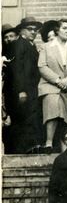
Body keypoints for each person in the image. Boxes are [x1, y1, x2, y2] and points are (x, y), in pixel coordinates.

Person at [37, 19, 67, 150]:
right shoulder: (46, 47)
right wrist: (58, 80)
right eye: (65, 28)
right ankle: (49, 143)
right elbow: (42, 66)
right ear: (57, 30)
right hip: (51, 85)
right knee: (52, 110)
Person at [2, 21, 43, 153]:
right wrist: (21, 90)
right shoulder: (19, 44)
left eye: (35, 30)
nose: (33, 32)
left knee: (28, 118)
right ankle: (21, 150)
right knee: (21, 120)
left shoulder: (30, 46)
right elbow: (17, 69)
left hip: (31, 90)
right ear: (21, 31)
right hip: (22, 91)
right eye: (30, 29)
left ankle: (28, 147)